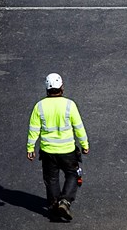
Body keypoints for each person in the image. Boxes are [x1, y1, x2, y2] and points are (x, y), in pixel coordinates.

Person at [27, 73, 90, 221]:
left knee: (51, 179)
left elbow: (33, 129)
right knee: (73, 174)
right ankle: (65, 201)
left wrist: (30, 148)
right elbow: (78, 127)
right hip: (67, 150)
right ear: (62, 87)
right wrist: (85, 145)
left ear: (47, 89)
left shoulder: (39, 106)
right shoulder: (69, 105)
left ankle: (55, 205)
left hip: (48, 151)